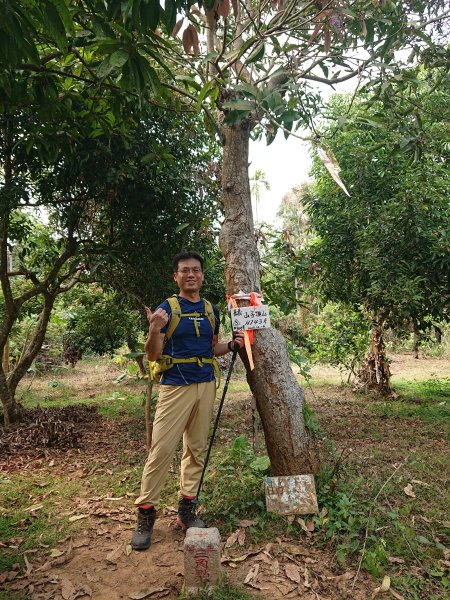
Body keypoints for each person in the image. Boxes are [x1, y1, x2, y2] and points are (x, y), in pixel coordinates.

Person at [131, 251, 245, 551]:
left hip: (205, 384)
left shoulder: (211, 311)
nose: (191, 275)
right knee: (162, 449)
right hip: (175, 387)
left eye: (196, 270)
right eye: (185, 271)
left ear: (203, 275)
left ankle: (186, 509)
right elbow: (153, 355)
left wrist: (231, 345)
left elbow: (210, 348)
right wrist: (155, 328)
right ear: (176, 276)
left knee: (195, 449)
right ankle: (146, 513)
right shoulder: (166, 309)